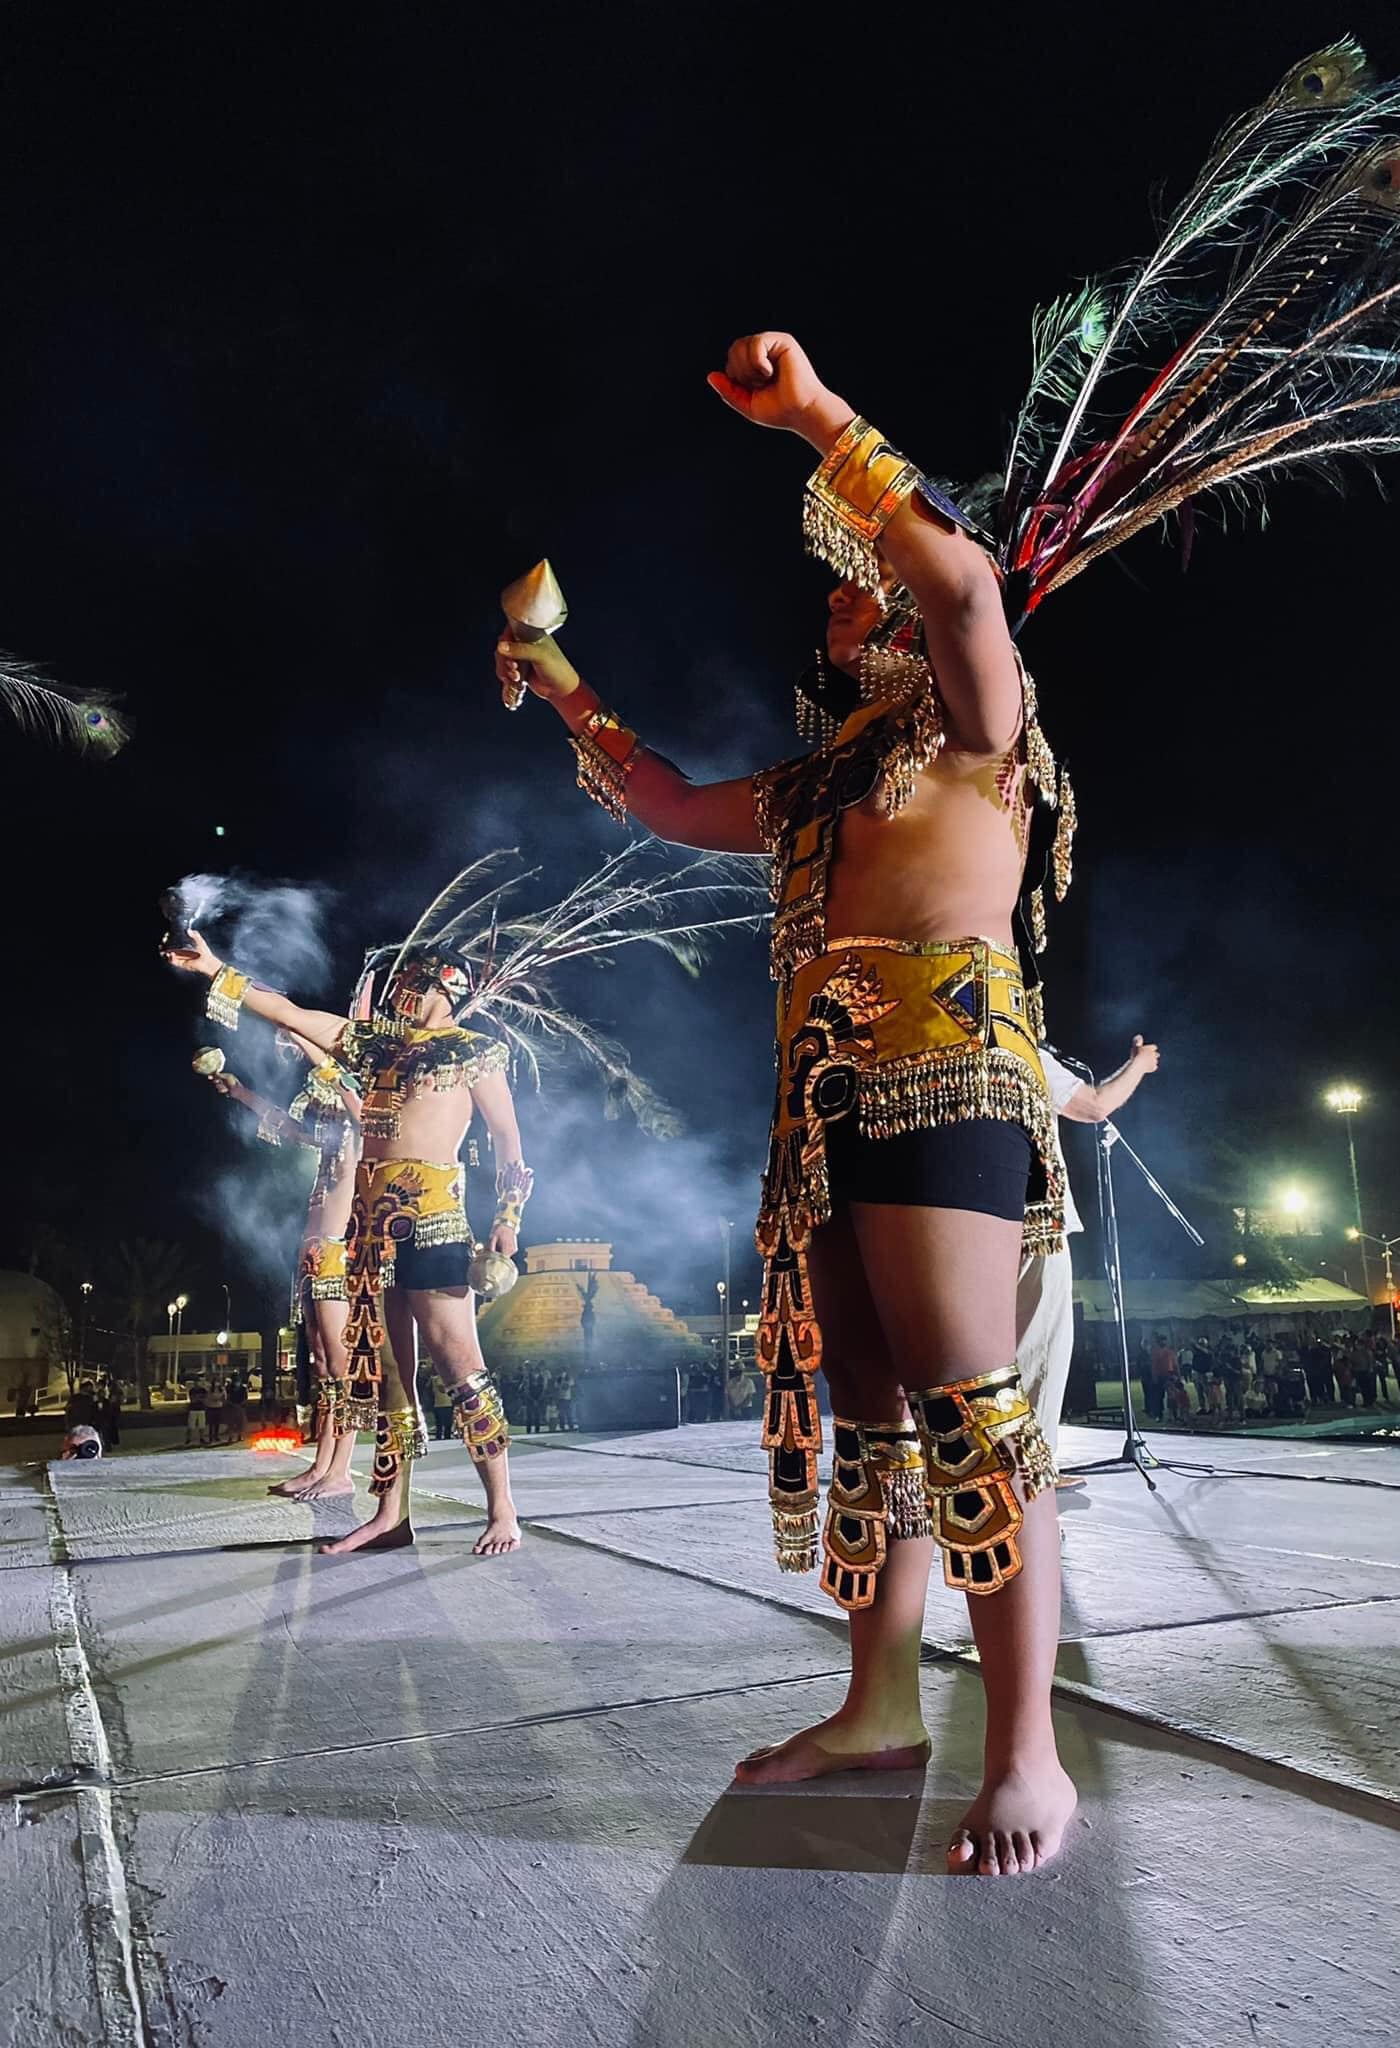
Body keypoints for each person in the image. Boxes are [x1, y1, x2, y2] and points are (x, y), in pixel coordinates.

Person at [501, 329, 1084, 1877]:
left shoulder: (983, 723)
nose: (837, 590)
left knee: (970, 1404)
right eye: (831, 579)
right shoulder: (823, 783)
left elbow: (964, 588)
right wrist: (560, 680)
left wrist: (820, 416)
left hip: (950, 1073)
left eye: (857, 570)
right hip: (823, 1109)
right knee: (874, 1423)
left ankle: (1027, 1750)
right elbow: (672, 802)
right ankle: (880, 1705)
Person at [166, 930, 531, 1558]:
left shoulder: (476, 1053)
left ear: (450, 991)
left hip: (435, 1224)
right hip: (366, 1235)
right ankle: (390, 1516)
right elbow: (289, 1011)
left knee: (461, 1373)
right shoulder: (373, 1046)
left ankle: (503, 1509)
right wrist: (214, 968)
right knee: (388, 1377)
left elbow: (508, 1140)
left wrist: (509, 1217)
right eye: (404, 984)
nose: (405, 994)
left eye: (418, 986)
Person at [196, 1046, 364, 1502]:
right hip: (311, 1255)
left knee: (341, 1367)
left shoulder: (361, 1133)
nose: (319, 1110)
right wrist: (241, 1093)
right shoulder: (329, 1144)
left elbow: (355, 1103)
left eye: (325, 1098)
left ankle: (341, 1469)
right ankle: (322, 1464)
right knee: (323, 1366)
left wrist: (314, 1048)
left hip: (336, 1253)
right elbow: (289, 1128)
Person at [1014, 1038, 1161, 1465]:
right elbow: (1094, 1105)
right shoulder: (1022, 1050)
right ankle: (1032, 1466)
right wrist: (1138, 1065)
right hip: (1037, 1214)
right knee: (1040, 1343)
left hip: (981, 1216)